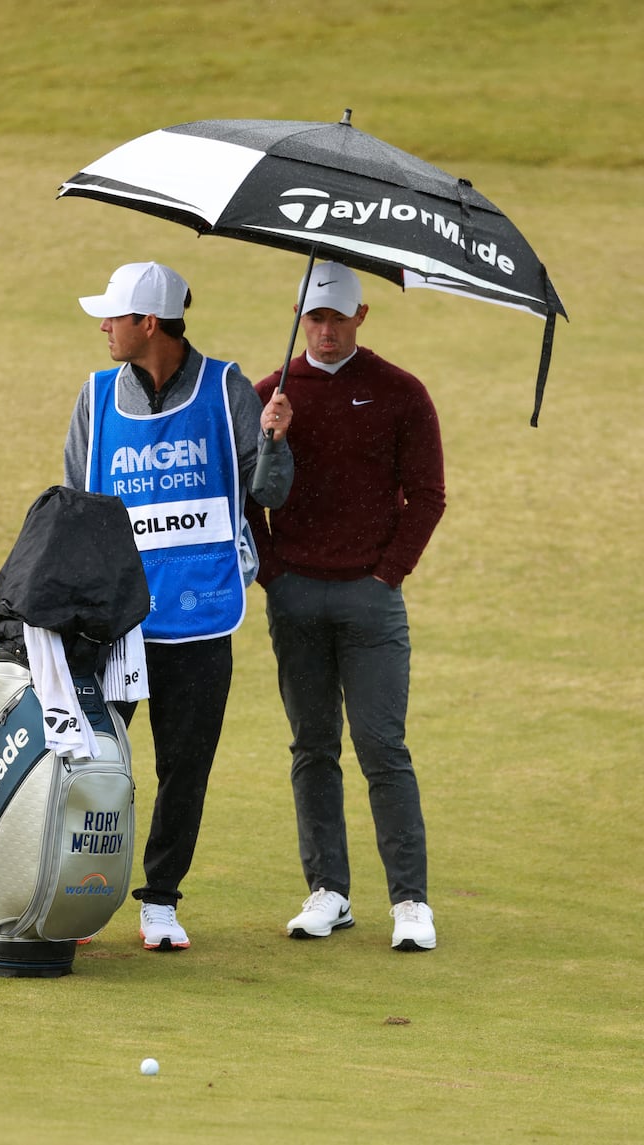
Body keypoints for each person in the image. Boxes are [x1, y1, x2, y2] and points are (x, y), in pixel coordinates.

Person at [64, 261, 293, 951]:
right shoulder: (96, 397)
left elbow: (273, 493)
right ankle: (67, 890)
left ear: (150, 324)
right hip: (116, 622)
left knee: (184, 767)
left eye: (115, 316)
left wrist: (277, 439)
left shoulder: (229, 390)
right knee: (87, 762)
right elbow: (76, 507)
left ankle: (159, 901)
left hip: (200, 616)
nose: (103, 326)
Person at [248, 261, 445, 951]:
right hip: (296, 596)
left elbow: (427, 495)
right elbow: (246, 499)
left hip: (371, 599)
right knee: (313, 747)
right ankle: (328, 890)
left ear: (362, 317)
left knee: (382, 746)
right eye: (314, 318)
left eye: (337, 318)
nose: (325, 331)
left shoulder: (399, 392)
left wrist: (388, 574)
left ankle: (410, 901)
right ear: (300, 317)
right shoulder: (270, 394)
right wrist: (274, 573)